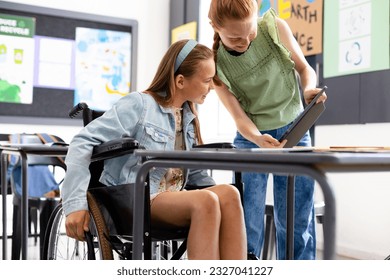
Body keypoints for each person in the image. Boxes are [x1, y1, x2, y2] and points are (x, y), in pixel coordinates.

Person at [61, 39, 247, 260]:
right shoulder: (139, 105)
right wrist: (74, 204)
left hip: (170, 198)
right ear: (180, 81)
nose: (212, 87)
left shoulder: (187, 116)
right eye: (207, 80)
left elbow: (191, 171)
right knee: (206, 201)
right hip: (136, 198)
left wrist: (219, 200)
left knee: (229, 194)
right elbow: (82, 141)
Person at [208, 0, 327, 260]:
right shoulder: (215, 65)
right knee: (247, 222)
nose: (246, 41)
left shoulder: (275, 27)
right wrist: (256, 138)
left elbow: (305, 69)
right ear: (215, 27)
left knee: (296, 221)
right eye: (235, 38)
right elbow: (239, 118)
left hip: (295, 130)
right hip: (251, 138)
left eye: (249, 32)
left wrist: (308, 90)